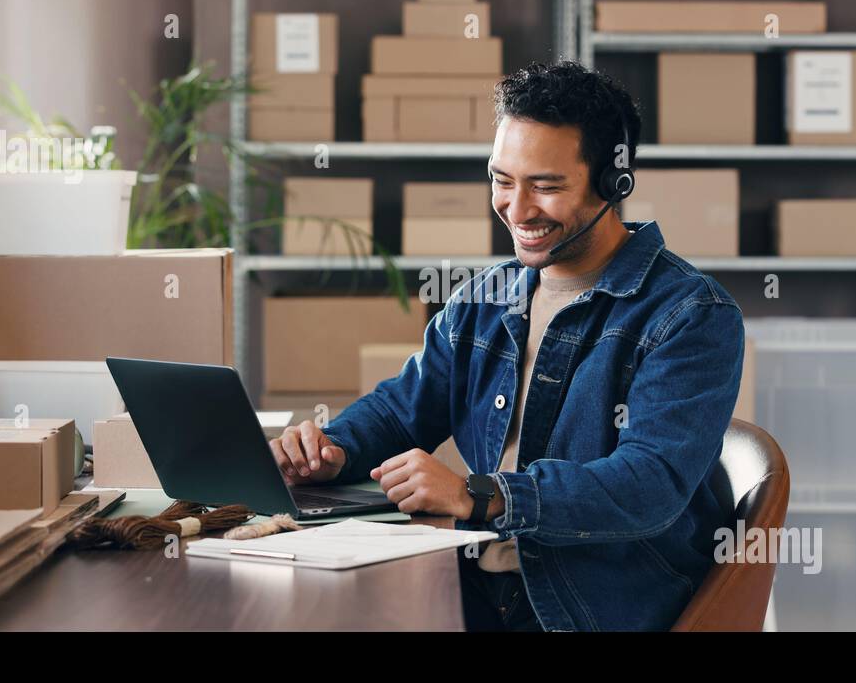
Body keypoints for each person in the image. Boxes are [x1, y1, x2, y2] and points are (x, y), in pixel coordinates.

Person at [269, 60, 744, 632]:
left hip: (590, 609)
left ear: (613, 183)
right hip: (473, 581)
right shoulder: (485, 299)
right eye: (502, 180)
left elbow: (649, 484)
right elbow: (402, 409)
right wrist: (332, 451)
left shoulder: (690, 315)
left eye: (545, 186)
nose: (516, 211)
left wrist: (483, 494)